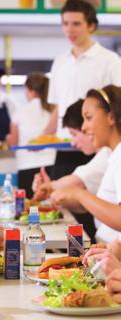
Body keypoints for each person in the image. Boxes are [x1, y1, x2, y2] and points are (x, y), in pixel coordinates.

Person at [44, 0, 121, 180]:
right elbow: (58, 107)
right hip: (64, 146)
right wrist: (42, 137)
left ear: (91, 25)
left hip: (97, 149)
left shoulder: (110, 61)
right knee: (58, 202)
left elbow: (118, 105)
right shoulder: (60, 62)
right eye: (65, 24)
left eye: (76, 24)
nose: (70, 30)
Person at [51, 85, 121, 243]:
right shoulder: (114, 155)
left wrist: (79, 194)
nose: (84, 127)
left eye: (88, 118)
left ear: (110, 117)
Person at [7, 72, 56, 197]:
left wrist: (8, 138)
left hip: (26, 165)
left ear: (29, 90)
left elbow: (13, 143)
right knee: (50, 206)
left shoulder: (19, 112)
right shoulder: (52, 111)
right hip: (51, 163)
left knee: (29, 208)